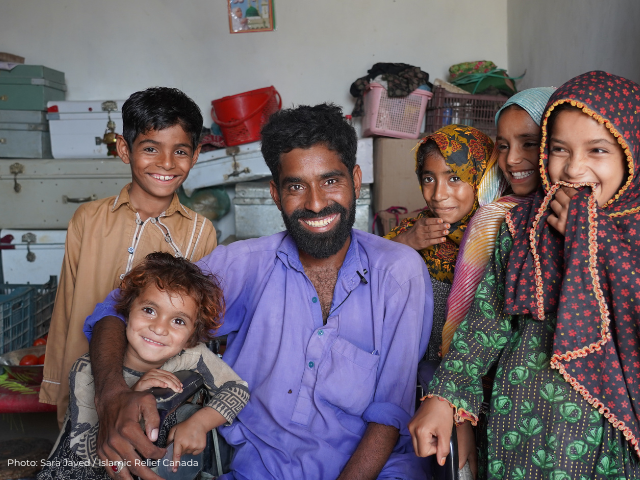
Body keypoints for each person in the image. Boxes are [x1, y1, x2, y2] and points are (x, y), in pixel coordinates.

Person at [83, 103, 433, 480]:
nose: (315, 203)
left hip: (376, 470)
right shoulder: (245, 265)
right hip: (262, 470)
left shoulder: (398, 272)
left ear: (356, 180)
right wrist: (111, 395)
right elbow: (115, 310)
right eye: (296, 186)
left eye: (331, 181)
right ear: (275, 193)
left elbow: (389, 413)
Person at [409, 71, 640, 479]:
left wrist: (593, 240)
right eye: (559, 149)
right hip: (516, 432)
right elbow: (486, 321)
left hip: (603, 444)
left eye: (598, 150)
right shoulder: (522, 227)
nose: (573, 168)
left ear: (630, 152)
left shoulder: (631, 236)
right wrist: (443, 395)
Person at [39, 87, 217, 428]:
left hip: (153, 394)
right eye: (150, 148)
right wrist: (56, 385)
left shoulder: (200, 231)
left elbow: (194, 322)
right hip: (84, 383)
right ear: (124, 149)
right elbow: (66, 308)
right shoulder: (88, 219)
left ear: (195, 155)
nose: (166, 163)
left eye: (180, 151)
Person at [38, 253, 249, 480]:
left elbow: (237, 389)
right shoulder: (87, 370)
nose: (159, 328)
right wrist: (133, 393)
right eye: (149, 310)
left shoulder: (192, 354)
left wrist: (199, 423)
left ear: (191, 337)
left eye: (178, 321)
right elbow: (86, 452)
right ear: (126, 313)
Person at [383, 124, 497, 479]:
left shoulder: (495, 231)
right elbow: (369, 271)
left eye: (454, 178)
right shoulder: (418, 226)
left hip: (476, 373)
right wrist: (408, 241)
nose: (438, 194)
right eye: (428, 178)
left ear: (480, 178)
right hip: (419, 369)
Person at [441, 88, 557, 360]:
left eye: (528, 143)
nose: (512, 159)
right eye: (503, 146)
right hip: (497, 375)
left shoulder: (583, 215)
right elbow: (464, 321)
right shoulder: (493, 217)